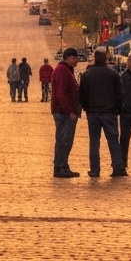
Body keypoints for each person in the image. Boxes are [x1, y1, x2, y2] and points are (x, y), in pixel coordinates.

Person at [79, 49, 125, 177]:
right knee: (113, 141)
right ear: (105, 58)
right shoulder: (113, 74)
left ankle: (95, 170)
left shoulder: (87, 75)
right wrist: (117, 109)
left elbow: (82, 95)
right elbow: (120, 94)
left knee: (94, 142)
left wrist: (86, 108)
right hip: (109, 112)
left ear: (95, 58)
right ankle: (118, 168)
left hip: (93, 112)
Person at [50, 48, 81, 178]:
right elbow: (61, 93)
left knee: (64, 140)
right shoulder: (63, 71)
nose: (76, 61)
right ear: (68, 58)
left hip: (64, 111)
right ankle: (60, 167)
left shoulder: (65, 70)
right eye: (74, 58)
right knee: (64, 140)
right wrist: (70, 111)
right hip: (63, 112)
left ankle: (63, 165)